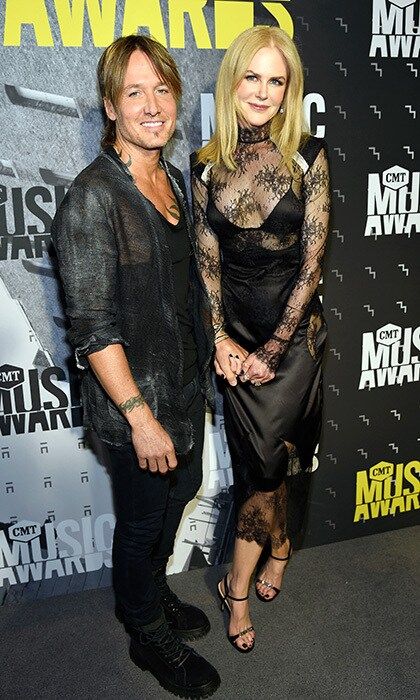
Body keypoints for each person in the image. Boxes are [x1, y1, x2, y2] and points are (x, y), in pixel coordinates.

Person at [52, 34, 220, 698]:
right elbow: (93, 331)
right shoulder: (94, 199)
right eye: (134, 92)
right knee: (145, 520)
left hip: (184, 391)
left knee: (180, 500)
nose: (152, 105)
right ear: (110, 107)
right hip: (139, 408)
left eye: (162, 89)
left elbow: (181, 290)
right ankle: (147, 631)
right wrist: (139, 418)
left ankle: (152, 596)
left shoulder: (170, 178)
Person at [191, 25, 330, 653]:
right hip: (234, 343)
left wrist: (272, 351)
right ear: (233, 81)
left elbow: (311, 267)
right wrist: (222, 340)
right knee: (261, 469)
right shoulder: (204, 166)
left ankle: (236, 590)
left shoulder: (308, 157)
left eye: (278, 81)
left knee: (266, 472)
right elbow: (207, 266)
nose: (265, 91)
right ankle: (280, 547)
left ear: (290, 89)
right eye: (253, 76)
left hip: (293, 341)